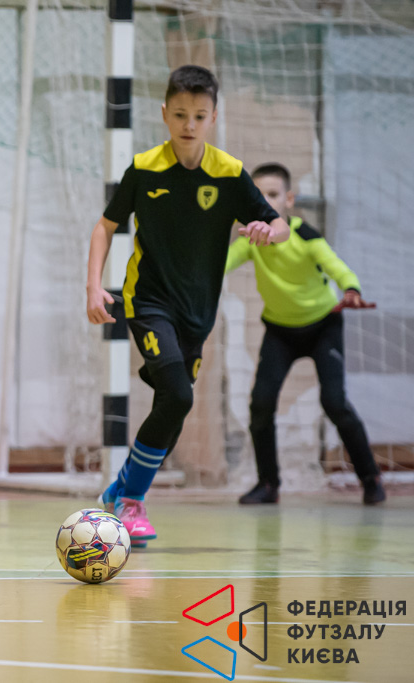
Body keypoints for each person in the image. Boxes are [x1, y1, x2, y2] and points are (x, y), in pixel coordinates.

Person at [85, 65, 290, 548]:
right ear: (165, 114)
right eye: (180, 114)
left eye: (199, 115)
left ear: (213, 117)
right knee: (178, 396)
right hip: (147, 300)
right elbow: (105, 227)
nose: (189, 124)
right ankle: (131, 501)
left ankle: (119, 487)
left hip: (198, 313)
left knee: (172, 411)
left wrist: (268, 230)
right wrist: (94, 287)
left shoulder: (229, 172)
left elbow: (280, 225)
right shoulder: (145, 168)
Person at [226, 162, 385, 505]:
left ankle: (370, 478)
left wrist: (351, 288)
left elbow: (337, 267)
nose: (266, 202)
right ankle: (268, 484)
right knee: (261, 404)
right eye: (258, 196)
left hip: (323, 326)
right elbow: (220, 264)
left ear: (289, 200)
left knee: (334, 402)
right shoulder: (251, 240)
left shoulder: (306, 236)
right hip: (280, 332)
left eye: (272, 194)